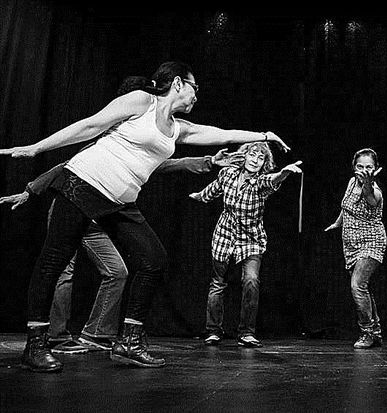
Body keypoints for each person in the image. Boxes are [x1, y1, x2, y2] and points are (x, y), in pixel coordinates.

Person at [0, 61, 291, 372]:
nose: (196, 96)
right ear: (177, 83)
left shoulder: (179, 127)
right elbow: (90, 126)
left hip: (120, 202)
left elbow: (219, 133)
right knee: (53, 262)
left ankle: (129, 341)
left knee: (153, 260)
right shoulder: (142, 101)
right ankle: (36, 344)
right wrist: (37, 148)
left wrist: (264, 135)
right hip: (82, 185)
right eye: (194, 88)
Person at [0, 149, 235, 354]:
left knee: (117, 272)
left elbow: (169, 164)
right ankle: (56, 336)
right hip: (72, 211)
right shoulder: (105, 151)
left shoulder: (136, 159)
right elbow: (63, 167)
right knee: (63, 272)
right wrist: (30, 191)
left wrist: (210, 161)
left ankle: (96, 333)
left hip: (97, 220)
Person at [189, 142, 302, 348]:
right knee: (218, 282)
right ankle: (213, 331)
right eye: (252, 155)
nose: (255, 160)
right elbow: (213, 189)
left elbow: (272, 180)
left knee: (251, 280)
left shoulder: (259, 183)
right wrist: (199, 196)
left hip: (251, 239)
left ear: (264, 164)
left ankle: (246, 333)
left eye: (260, 158)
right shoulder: (228, 174)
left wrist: (284, 173)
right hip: (224, 235)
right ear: (245, 156)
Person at [325, 148, 386, 349]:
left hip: (371, 242)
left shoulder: (375, 190)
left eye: (369, 167)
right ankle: (375, 332)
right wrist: (337, 223)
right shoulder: (352, 182)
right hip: (351, 245)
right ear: (354, 167)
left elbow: (370, 197)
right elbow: (346, 207)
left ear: (375, 169)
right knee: (362, 288)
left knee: (357, 286)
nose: (364, 170)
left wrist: (368, 184)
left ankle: (367, 332)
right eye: (360, 166)